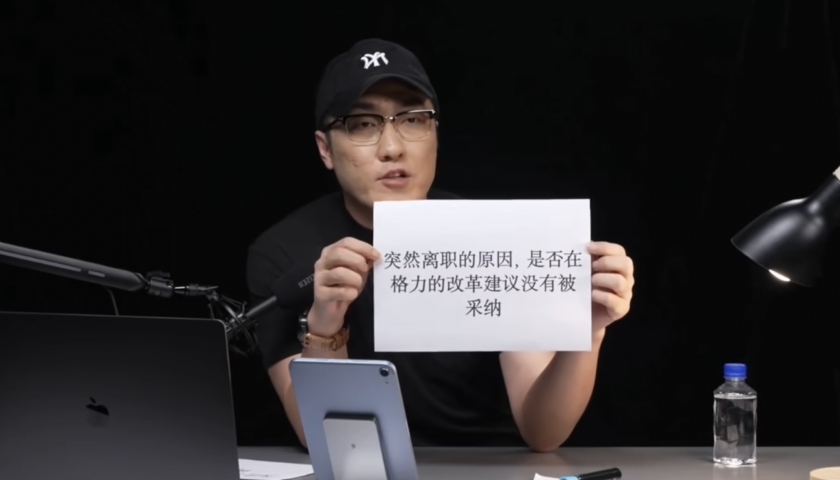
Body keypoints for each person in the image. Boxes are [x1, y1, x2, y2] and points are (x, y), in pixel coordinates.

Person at [246, 38, 635, 453]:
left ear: (435, 133)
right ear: (325, 149)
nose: (392, 148)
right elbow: (324, 440)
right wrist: (324, 324)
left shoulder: (496, 235)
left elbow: (544, 433)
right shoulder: (285, 251)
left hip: (493, 467)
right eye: (362, 124)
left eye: (413, 119)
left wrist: (587, 331)